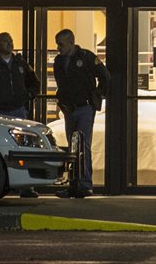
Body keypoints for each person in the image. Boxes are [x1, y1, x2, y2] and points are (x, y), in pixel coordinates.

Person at [0, 31, 42, 199]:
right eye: (6, 42)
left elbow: (34, 83)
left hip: (18, 110)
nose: (10, 44)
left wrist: (29, 95)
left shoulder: (21, 64)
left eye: (11, 41)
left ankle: (26, 187)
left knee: (24, 147)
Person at [52, 28, 109, 198]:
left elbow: (105, 76)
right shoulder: (59, 61)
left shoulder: (87, 57)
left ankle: (85, 184)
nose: (58, 48)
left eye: (61, 44)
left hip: (84, 108)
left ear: (70, 42)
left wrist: (98, 95)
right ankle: (73, 184)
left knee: (83, 146)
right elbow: (61, 85)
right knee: (72, 147)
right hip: (69, 109)